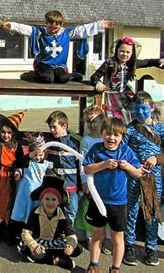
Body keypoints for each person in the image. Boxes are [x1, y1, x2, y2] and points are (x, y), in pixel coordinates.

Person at [83, 117, 142, 273]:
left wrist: (127, 166)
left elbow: (138, 173)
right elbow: (87, 169)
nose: (111, 137)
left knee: (117, 237)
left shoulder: (126, 151)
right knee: (97, 234)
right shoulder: (96, 149)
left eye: (116, 135)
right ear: (102, 134)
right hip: (98, 200)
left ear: (122, 136)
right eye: (108, 133)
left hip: (118, 202)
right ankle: (94, 264)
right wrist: (103, 164)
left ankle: (115, 267)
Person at [0, 11, 113, 84]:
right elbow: (24, 28)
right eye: (50, 26)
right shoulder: (40, 32)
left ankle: (72, 75)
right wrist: (10, 25)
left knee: (62, 79)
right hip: (43, 64)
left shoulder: (67, 33)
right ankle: (34, 74)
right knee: (48, 79)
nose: (53, 29)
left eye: (56, 26)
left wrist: (99, 25)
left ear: (61, 24)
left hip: (59, 65)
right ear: (46, 23)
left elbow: (82, 30)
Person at [122, 91, 164, 267]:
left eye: (144, 108)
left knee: (152, 212)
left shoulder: (161, 129)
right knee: (131, 211)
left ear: (152, 107)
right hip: (134, 175)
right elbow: (122, 151)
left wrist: (156, 158)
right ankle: (129, 246)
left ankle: (151, 248)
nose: (141, 112)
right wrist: (133, 168)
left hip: (155, 178)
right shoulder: (129, 130)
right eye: (137, 109)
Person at [91, 36, 164, 123]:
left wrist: (159, 61)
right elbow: (95, 76)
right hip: (112, 95)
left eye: (128, 52)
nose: (124, 54)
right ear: (117, 50)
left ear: (132, 53)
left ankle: (148, 122)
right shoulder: (109, 63)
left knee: (136, 107)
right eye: (122, 51)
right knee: (114, 118)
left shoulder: (132, 64)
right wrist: (98, 83)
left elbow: (148, 62)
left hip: (125, 94)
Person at [18, 175, 82, 271]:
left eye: (54, 199)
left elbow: (71, 234)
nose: (50, 203)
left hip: (55, 242)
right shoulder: (35, 212)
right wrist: (33, 246)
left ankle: (49, 257)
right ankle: (56, 260)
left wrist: (71, 246)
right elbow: (26, 232)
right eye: (47, 199)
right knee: (29, 250)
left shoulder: (63, 215)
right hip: (39, 241)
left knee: (78, 249)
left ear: (58, 202)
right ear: (42, 199)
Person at [0, 111, 28, 244]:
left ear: (13, 133)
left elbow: (21, 163)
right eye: (3, 132)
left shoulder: (18, 148)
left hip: (11, 180)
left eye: (9, 132)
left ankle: (8, 230)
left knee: (11, 203)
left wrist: (18, 172)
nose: (6, 135)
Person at [75, 105, 108, 251]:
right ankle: (91, 237)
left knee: (106, 208)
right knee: (91, 208)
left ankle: (105, 239)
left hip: (106, 179)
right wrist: (84, 180)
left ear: (102, 120)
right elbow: (82, 162)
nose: (92, 125)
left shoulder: (107, 138)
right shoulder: (86, 140)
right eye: (89, 122)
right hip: (91, 178)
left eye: (94, 121)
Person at [11, 135, 52, 242]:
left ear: (45, 153)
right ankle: (17, 233)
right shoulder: (28, 162)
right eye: (35, 155)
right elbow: (20, 167)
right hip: (24, 192)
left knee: (34, 214)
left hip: (37, 194)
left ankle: (33, 234)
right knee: (21, 212)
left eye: (40, 155)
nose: (37, 157)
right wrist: (18, 173)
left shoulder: (46, 165)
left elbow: (49, 176)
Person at [43, 110, 81, 226]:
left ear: (64, 126)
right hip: (55, 186)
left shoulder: (75, 143)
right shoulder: (49, 141)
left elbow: (80, 165)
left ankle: (69, 239)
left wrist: (82, 186)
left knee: (71, 214)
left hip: (71, 187)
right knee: (52, 213)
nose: (52, 130)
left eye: (54, 127)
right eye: (50, 127)